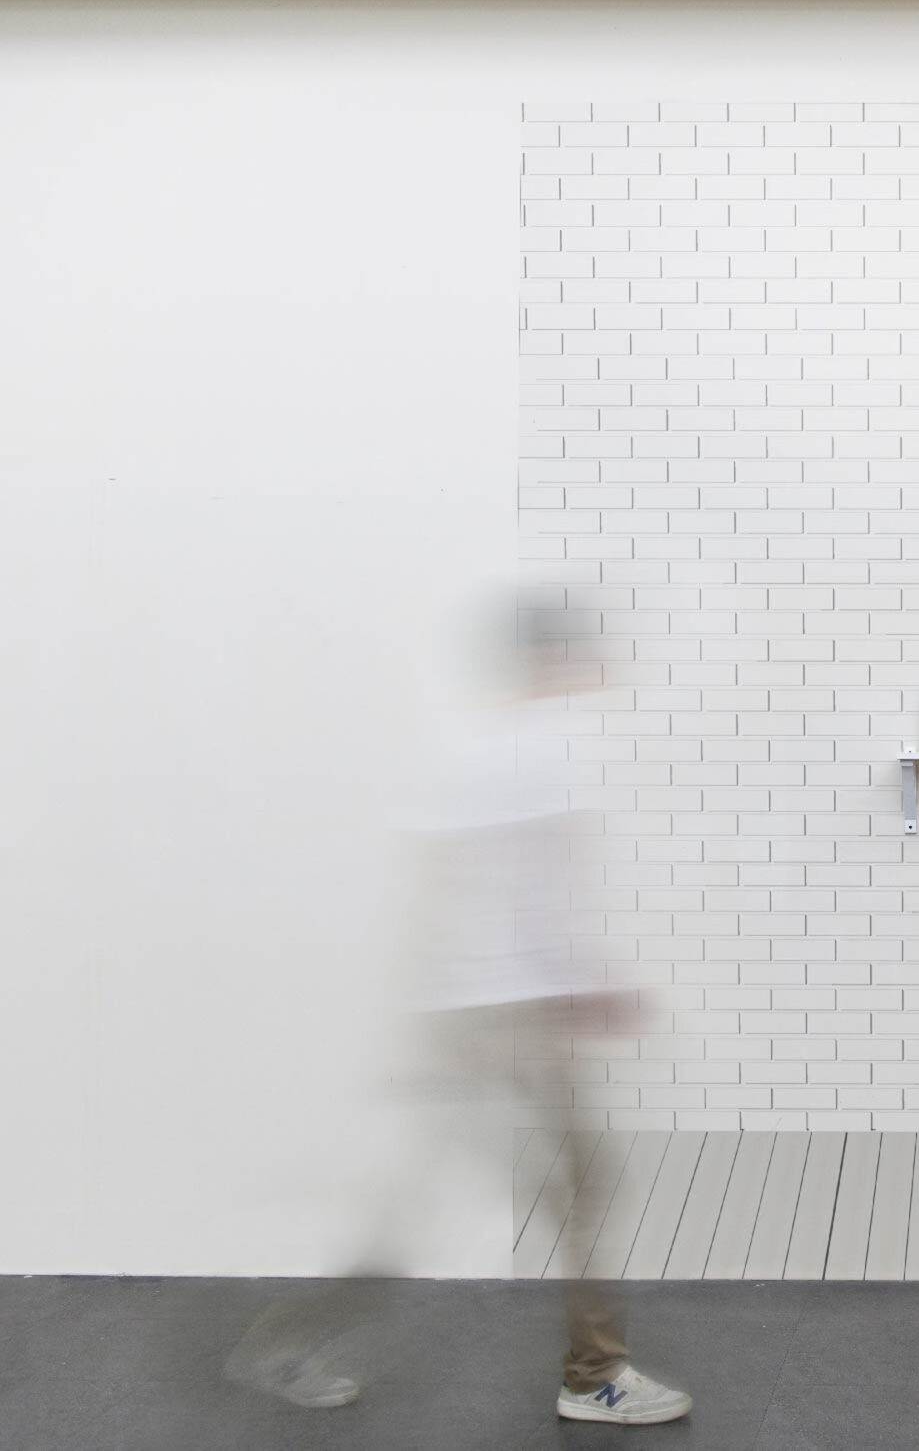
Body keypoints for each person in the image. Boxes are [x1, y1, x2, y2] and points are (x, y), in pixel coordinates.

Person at [223, 599, 691, 1427]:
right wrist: (582, 986)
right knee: (582, 1185)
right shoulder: (544, 751)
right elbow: (537, 900)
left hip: (468, 1013)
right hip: (509, 1016)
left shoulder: (472, 748)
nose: (596, 671)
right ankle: (594, 1378)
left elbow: (443, 894)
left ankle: (284, 1344)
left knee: (426, 1199)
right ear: (554, 659)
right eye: (583, 656)